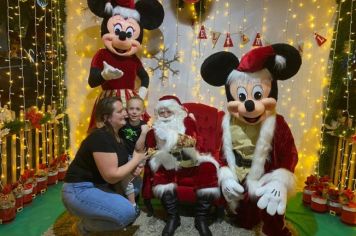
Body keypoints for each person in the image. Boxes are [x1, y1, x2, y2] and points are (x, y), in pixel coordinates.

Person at [201, 43, 301, 236]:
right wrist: (226, 176)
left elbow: (289, 153)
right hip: (238, 174)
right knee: (243, 219)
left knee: (270, 214)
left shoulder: (277, 123)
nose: (249, 105)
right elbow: (219, 152)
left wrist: (279, 181)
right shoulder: (227, 121)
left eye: (258, 95)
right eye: (241, 96)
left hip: (264, 177)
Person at [62, 96, 148, 235]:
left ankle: (97, 212)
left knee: (136, 184)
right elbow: (112, 177)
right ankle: (83, 227)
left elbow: (119, 168)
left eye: (124, 110)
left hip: (98, 186)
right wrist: (136, 160)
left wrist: (133, 170)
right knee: (127, 213)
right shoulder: (100, 137)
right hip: (78, 189)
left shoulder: (118, 136)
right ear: (107, 117)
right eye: (120, 111)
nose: (126, 114)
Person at [142, 95, 220, 236]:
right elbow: (150, 151)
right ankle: (173, 217)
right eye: (162, 112)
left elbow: (194, 143)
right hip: (167, 163)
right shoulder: (154, 129)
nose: (165, 115)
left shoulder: (187, 121)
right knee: (160, 170)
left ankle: (201, 218)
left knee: (209, 167)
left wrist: (171, 137)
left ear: (176, 112)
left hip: (188, 160)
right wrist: (158, 152)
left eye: (168, 112)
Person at [118, 96, 150, 216]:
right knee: (126, 181)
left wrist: (144, 133)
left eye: (137, 109)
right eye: (131, 108)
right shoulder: (123, 123)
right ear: (127, 109)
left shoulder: (144, 127)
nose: (134, 112)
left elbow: (139, 148)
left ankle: (132, 205)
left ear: (143, 111)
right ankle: (131, 203)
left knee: (128, 180)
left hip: (138, 157)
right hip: (124, 157)